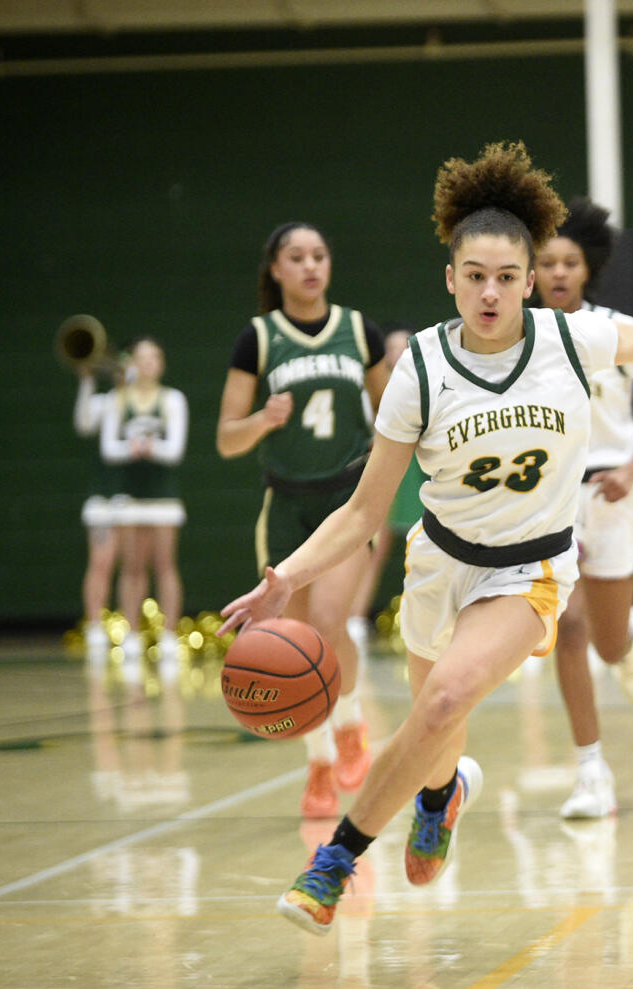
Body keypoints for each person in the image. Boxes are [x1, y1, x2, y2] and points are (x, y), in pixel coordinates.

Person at [217, 141, 633, 936]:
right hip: (441, 565)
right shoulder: (421, 369)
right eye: (474, 275)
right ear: (451, 278)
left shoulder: (568, 338)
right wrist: (284, 578)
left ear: (531, 279)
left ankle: (333, 861)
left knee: (442, 699)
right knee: (433, 735)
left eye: (508, 276)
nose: (490, 291)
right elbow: (363, 514)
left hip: (531, 572)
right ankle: (442, 797)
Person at [215, 222, 388, 819]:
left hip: (344, 500)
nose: (311, 265)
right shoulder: (258, 339)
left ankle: (351, 723)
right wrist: (263, 419)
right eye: (297, 257)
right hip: (285, 505)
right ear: (276, 270)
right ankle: (317, 764)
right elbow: (226, 440)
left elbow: (395, 412)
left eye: (320, 254)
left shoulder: (357, 329)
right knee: (293, 639)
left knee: (331, 627)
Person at [534, 197, 633, 819]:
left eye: (570, 261)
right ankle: (591, 771)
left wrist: (629, 469)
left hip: (611, 493)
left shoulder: (617, 331)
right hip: (550, 501)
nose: (560, 273)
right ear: (532, 271)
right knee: (566, 629)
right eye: (547, 263)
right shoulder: (519, 338)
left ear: (588, 267)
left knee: (609, 642)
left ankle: (627, 639)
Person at [100, 337, 188, 683]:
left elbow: (175, 450)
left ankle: (169, 638)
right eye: (141, 358)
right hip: (129, 496)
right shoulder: (117, 400)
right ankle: (132, 637)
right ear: (132, 363)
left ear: (162, 363)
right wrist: (131, 448)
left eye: (154, 357)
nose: (148, 364)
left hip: (163, 497)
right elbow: (109, 449)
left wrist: (152, 448)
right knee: (132, 567)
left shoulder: (172, 400)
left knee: (165, 566)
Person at [347, 324, 430, 649]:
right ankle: (354, 618)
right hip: (384, 465)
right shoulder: (370, 387)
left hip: (422, 469)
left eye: (404, 347)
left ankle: (431, 621)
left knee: (427, 549)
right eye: (391, 348)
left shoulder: (427, 384)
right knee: (374, 547)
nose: (397, 354)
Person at [74, 360, 125, 663]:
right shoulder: (106, 404)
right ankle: (94, 626)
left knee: (136, 565)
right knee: (102, 562)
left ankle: (130, 630)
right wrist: (87, 380)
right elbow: (83, 423)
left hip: (139, 497)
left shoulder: (158, 402)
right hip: (105, 499)